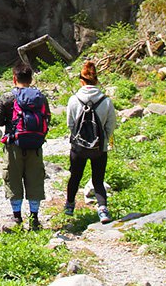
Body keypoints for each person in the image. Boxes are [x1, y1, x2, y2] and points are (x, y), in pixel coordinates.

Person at [0, 63, 50, 230]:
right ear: (31, 79)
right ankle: (34, 218)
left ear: (14, 78)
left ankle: (17, 217)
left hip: (13, 145)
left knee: (13, 179)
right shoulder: (40, 97)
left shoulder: (7, 98)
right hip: (35, 146)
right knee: (35, 179)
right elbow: (47, 118)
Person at [65, 60, 117, 223]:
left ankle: (69, 206)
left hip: (78, 148)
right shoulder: (106, 101)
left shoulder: (74, 100)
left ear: (81, 80)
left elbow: (70, 124)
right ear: (96, 80)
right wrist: (103, 140)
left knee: (75, 177)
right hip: (99, 148)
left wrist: (78, 138)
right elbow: (111, 125)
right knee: (98, 180)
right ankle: (102, 210)